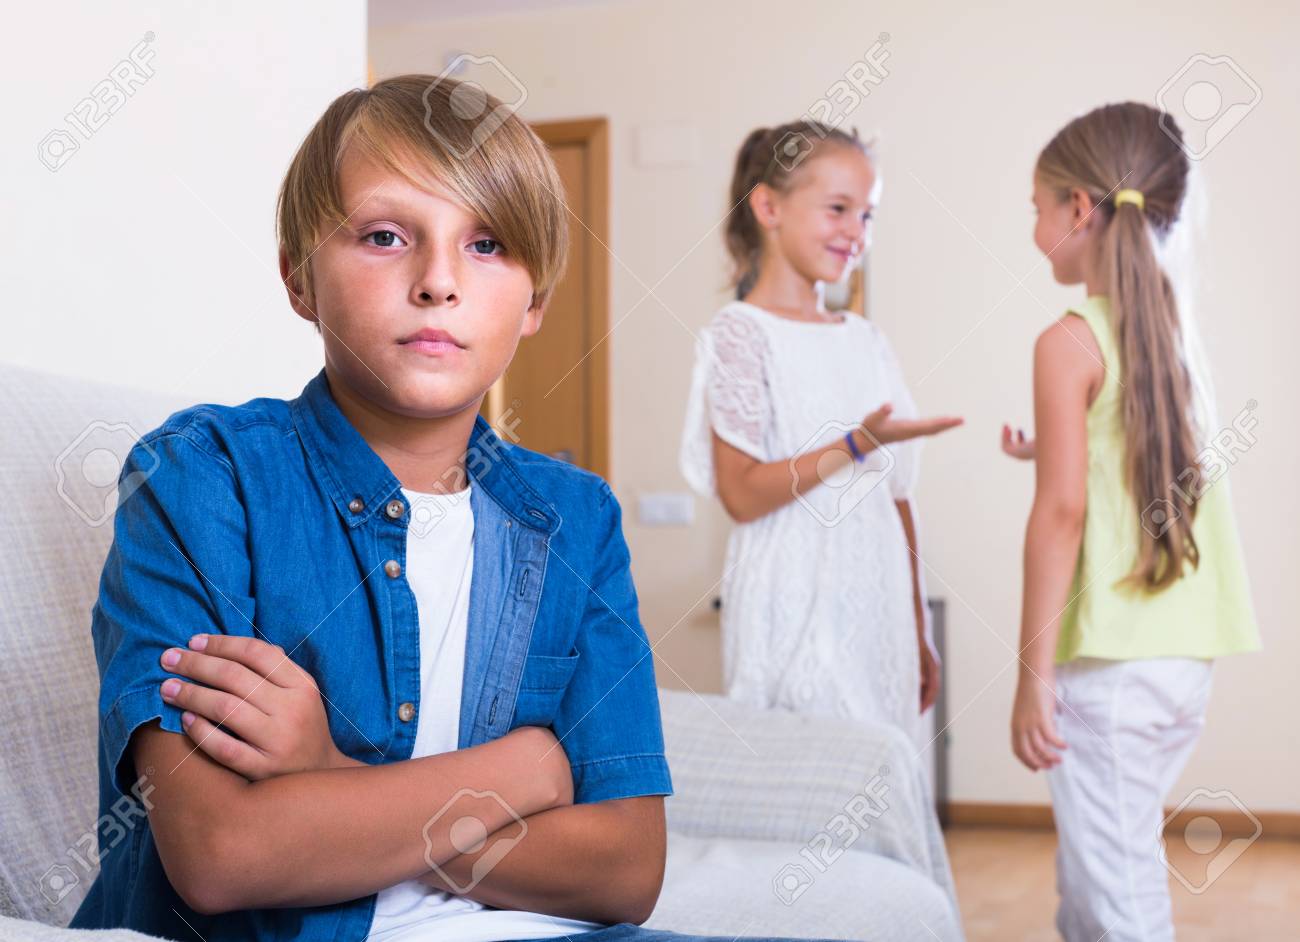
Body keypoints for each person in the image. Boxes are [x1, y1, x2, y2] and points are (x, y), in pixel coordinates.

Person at [71, 75, 855, 942]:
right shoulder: (199, 479)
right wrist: (529, 770)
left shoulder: (577, 519)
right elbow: (224, 854)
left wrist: (328, 772)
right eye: (383, 236)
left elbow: (627, 871)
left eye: (487, 245)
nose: (438, 280)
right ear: (299, 276)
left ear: (536, 303)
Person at [1003, 101, 1261, 942]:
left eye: (1038, 205)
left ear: (1080, 208)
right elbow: (1142, 457)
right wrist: (1053, 446)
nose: (1033, 223)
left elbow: (1065, 510)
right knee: (1092, 872)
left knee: (1118, 892)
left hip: (1107, 670)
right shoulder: (1170, 334)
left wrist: (1031, 672)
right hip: (1180, 660)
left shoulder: (1068, 339)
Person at [679, 120, 961, 741]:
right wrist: (854, 444)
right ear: (769, 206)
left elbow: (898, 499)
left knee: (885, 771)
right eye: (838, 209)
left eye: (868, 215)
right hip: (790, 597)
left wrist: (917, 626)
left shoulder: (865, 340)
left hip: (877, 597)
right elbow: (744, 495)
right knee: (807, 772)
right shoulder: (740, 334)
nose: (856, 232)